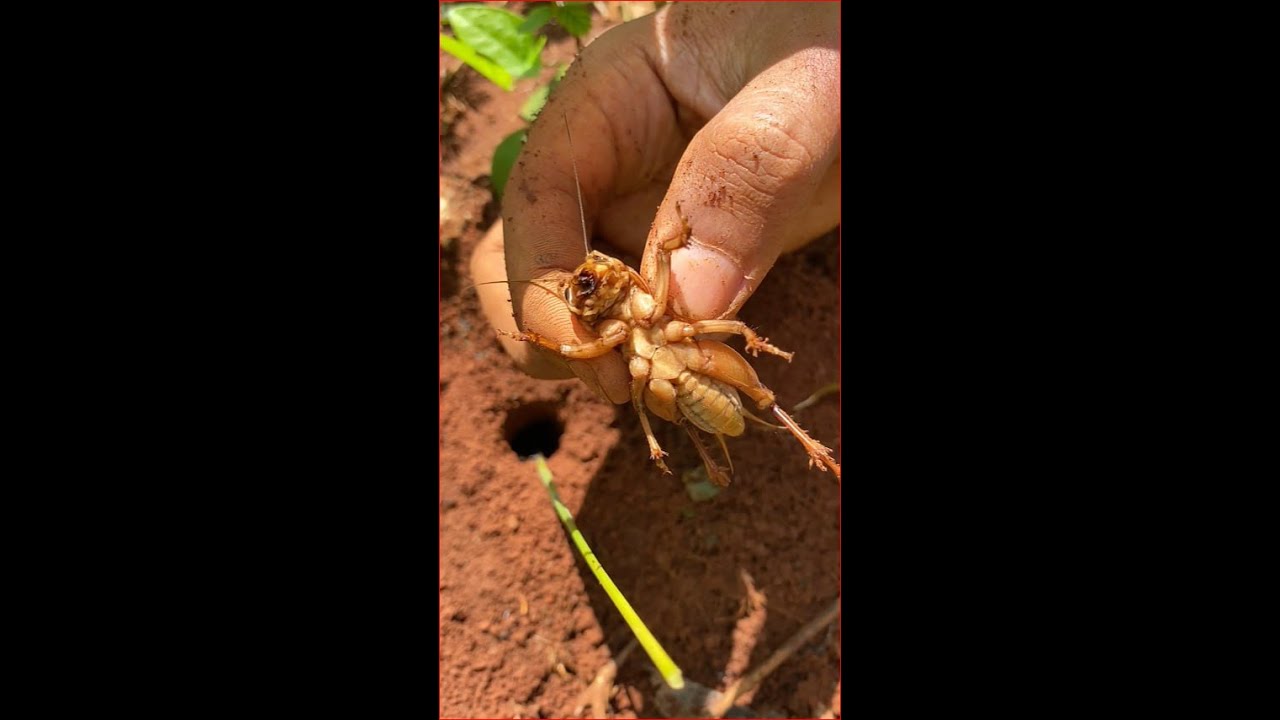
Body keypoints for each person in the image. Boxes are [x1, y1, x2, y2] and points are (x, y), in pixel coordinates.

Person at [470, 1, 839, 404]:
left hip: (682, 354)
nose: (590, 278)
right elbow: (578, 348)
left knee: (748, 390)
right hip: (666, 375)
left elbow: (662, 256)